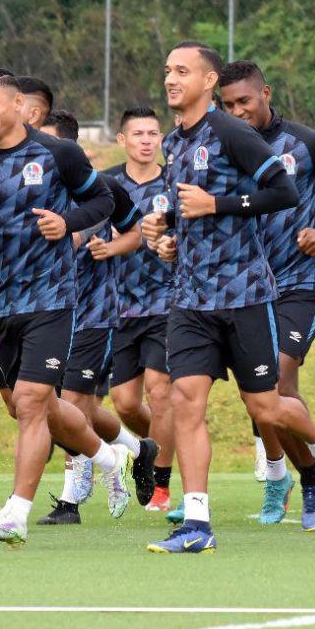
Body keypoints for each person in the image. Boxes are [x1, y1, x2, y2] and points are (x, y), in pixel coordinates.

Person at [142, 41, 315, 554]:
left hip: (245, 295)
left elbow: (281, 192)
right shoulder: (174, 143)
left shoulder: (233, 133)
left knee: (266, 405)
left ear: (208, 81)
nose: (171, 79)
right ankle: (197, 524)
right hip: (191, 297)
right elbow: (185, 203)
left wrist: (216, 204)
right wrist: (167, 226)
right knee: (185, 400)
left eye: (182, 71)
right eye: (167, 71)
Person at [0, 68, 133, 546]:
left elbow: (103, 200)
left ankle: (16, 512)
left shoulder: (57, 153)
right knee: (29, 405)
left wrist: (66, 221)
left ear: (16, 106)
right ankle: (110, 458)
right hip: (0, 301)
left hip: (52, 298)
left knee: (32, 403)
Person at [218, 60, 315, 530]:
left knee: (277, 386)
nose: (237, 111)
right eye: (227, 105)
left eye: (244, 101)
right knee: (259, 402)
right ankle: (312, 476)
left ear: (265, 94)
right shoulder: (222, 147)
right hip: (245, 289)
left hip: (301, 285)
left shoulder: (306, 143)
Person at [37, 108, 158, 526]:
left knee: (70, 405)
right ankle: (137, 449)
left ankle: (71, 500)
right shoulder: (28, 191)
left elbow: (134, 231)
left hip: (94, 315)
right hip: (46, 317)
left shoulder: (98, 190)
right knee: (72, 409)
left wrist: (105, 245)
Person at [106, 106, 178, 513]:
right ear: (123, 140)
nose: (148, 140)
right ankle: (156, 448)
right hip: (119, 306)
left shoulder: (175, 183)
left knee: (159, 388)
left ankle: (163, 483)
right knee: (125, 403)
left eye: (154, 133)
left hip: (166, 302)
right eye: (139, 134)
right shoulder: (107, 184)